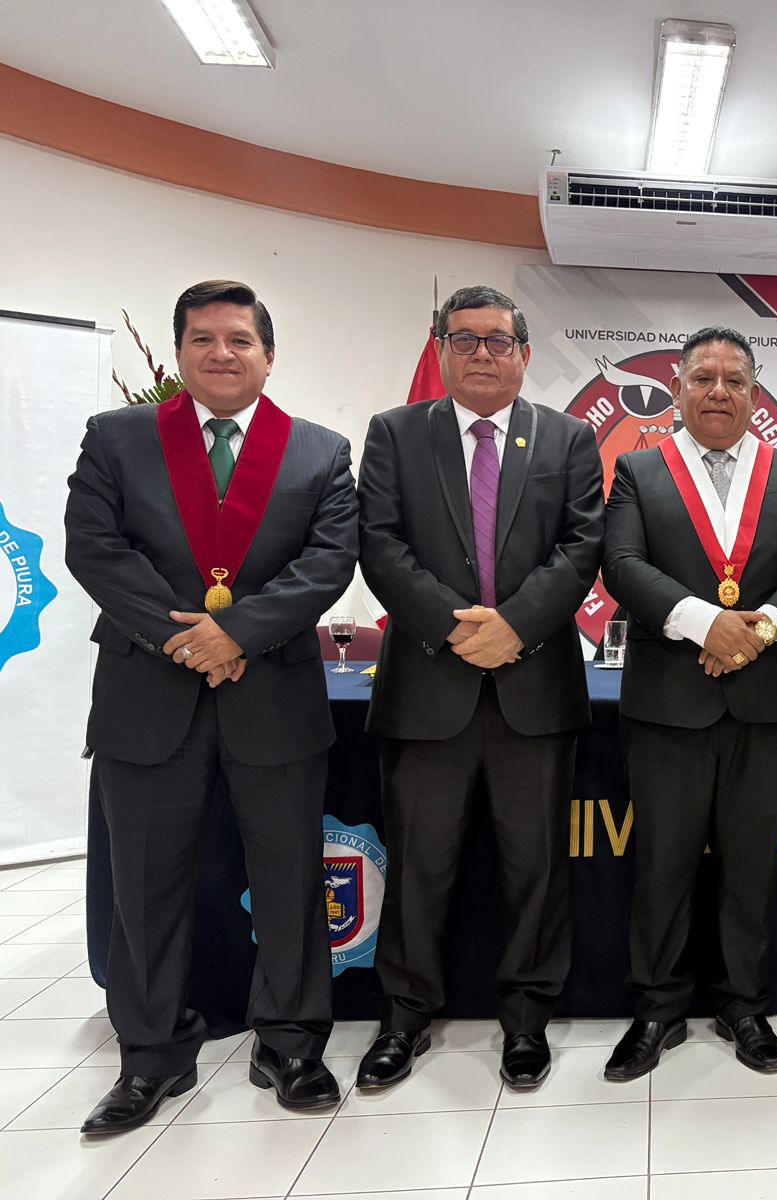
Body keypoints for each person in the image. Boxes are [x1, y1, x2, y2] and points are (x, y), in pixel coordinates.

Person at [64, 279, 357, 1133]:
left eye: (239, 339)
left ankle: (292, 1044)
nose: (220, 353)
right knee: (146, 887)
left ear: (269, 354)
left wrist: (241, 634)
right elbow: (94, 547)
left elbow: (328, 561)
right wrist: (187, 637)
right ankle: (151, 1057)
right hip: (148, 695)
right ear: (181, 349)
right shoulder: (117, 439)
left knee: (291, 878)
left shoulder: (319, 451)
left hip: (274, 695)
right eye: (202, 339)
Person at [355, 285, 604, 1091]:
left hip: (535, 691)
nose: (484, 353)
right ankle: (405, 1016)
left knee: (535, 867)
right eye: (466, 340)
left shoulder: (567, 438)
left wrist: (516, 626)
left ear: (525, 355)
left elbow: (581, 545)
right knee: (420, 865)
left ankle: (527, 1019)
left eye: (500, 341)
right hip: (431, 686)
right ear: (441, 351)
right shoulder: (397, 433)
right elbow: (380, 543)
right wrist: (457, 627)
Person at [601, 325, 777, 1080]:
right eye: (703, 378)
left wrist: (759, 629)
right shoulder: (640, 469)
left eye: (735, 380)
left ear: (754, 393)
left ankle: (745, 1005)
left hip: (768, 707)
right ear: (676, 390)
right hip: (669, 705)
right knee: (662, 865)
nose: (718, 392)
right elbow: (621, 563)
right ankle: (657, 1010)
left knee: (752, 866)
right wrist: (709, 624)